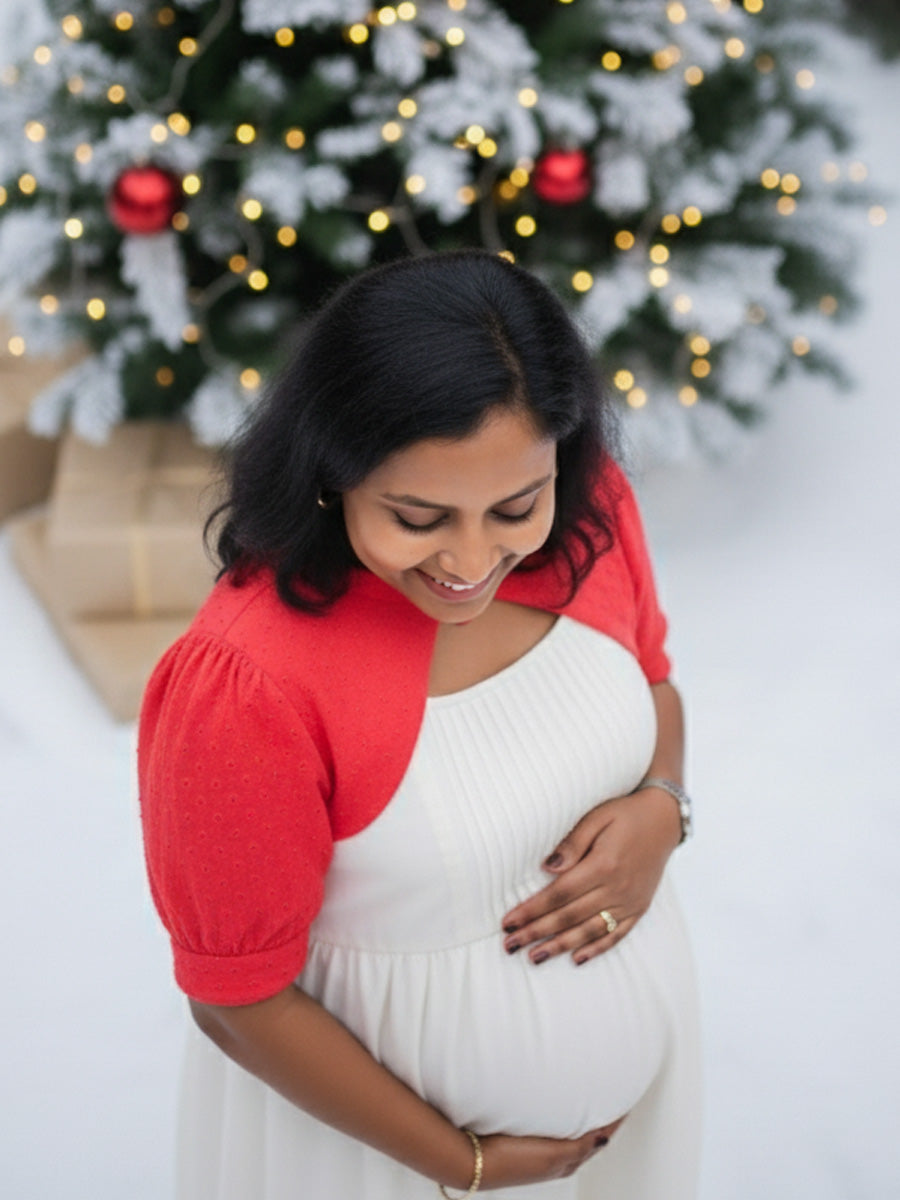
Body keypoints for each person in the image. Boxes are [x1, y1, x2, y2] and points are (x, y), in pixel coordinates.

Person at [138, 249, 701, 1200]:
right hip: (371, 1162)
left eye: (514, 506)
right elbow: (237, 999)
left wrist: (663, 805)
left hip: (622, 1148)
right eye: (418, 515)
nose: (472, 558)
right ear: (333, 472)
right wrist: (463, 1163)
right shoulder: (246, 682)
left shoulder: (591, 513)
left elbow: (655, 687)